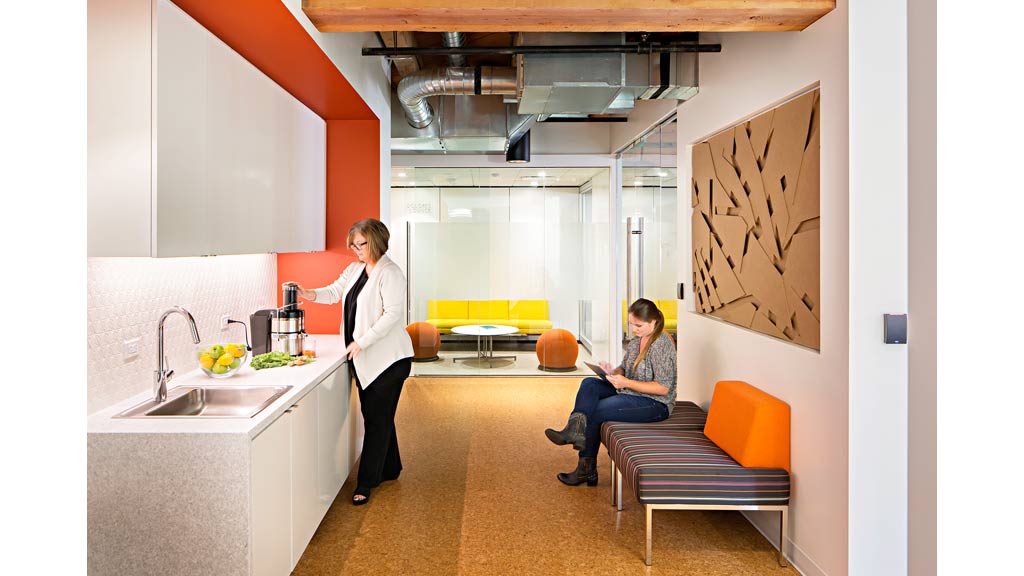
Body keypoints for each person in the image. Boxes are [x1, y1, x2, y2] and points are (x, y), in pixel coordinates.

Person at [286, 218, 414, 505]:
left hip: (389, 361)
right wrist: (308, 293)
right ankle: (391, 468)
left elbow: (392, 315)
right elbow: (333, 292)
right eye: (353, 245)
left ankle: (366, 482)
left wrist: (361, 341)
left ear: (378, 241)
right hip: (366, 358)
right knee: (378, 417)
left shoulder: (390, 273)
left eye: (362, 244)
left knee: (377, 421)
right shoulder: (356, 270)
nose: (356, 249)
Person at [544, 298, 676, 486]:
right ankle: (574, 429)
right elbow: (625, 367)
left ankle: (586, 468)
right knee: (589, 384)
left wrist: (626, 382)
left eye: (638, 325)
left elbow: (663, 388)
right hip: (630, 391)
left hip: (654, 403)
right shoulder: (637, 340)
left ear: (653, 322)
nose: (634, 329)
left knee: (596, 410)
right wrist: (613, 372)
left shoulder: (661, 344)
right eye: (631, 324)